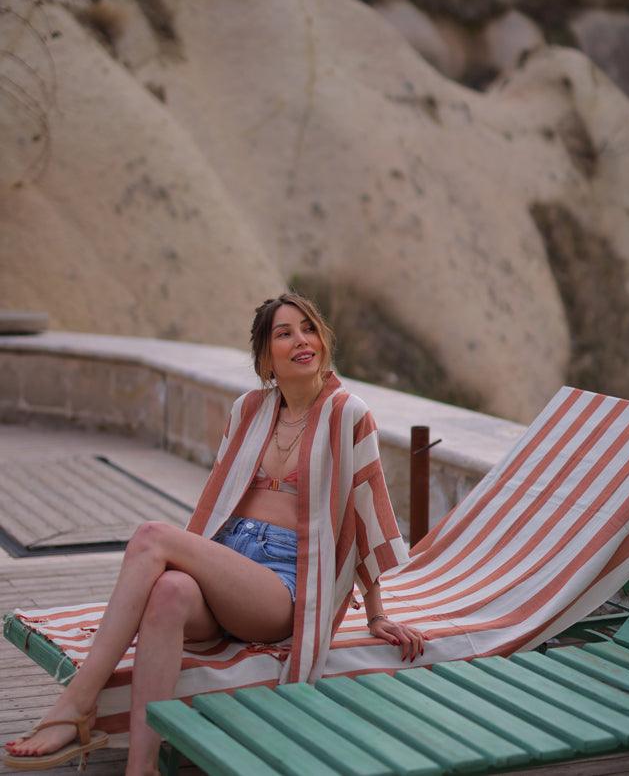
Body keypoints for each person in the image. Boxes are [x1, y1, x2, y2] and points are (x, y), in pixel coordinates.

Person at [5, 293, 424, 774]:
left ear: (322, 341)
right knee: (166, 593)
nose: (301, 340)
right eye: (283, 333)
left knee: (151, 536)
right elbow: (222, 500)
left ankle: (78, 703)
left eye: (308, 328)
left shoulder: (349, 413)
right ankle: (140, 767)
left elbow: (365, 515)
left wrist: (376, 614)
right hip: (230, 561)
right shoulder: (249, 409)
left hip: (285, 581)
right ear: (266, 358)